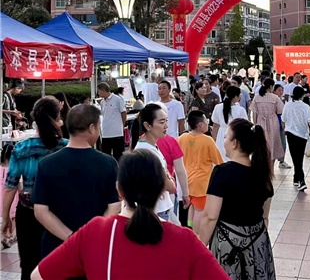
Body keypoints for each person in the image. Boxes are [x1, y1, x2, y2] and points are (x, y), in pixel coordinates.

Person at [30, 150, 229, 280]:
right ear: (162, 189)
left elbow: (39, 275)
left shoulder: (95, 232)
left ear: (119, 189)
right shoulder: (185, 240)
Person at [33, 104, 121, 259]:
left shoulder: (46, 163)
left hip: (56, 249)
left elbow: (40, 211)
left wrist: (71, 237)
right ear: (92, 128)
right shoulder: (108, 163)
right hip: (95, 246)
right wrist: (89, 237)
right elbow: (114, 207)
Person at [199, 119, 276, 280]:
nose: (224, 141)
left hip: (228, 244)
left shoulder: (222, 172)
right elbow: (265, 217)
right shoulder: (263, 174)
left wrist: (200, 249)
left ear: (234, 143)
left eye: (226, 137)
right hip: (258, 242)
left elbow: (210, 216)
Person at [2, 96, 67, 280]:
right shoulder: (65, 147)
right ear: (58, 118)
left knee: (29, 266)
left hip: (28, 214)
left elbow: (10, 187)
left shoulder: (21, 148)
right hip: (59, 214)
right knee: (58, 265)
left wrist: (6, 217)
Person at [178, 111, 223, 234]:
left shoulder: (182, 138)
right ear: (200, 125)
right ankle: (197, 236)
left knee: (192, 207)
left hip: (186, 180)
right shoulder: (207, 140)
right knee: (200, 211)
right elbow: (219, 162)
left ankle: (190, 231)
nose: (208, 123)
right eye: (206, 121)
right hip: (202, 182)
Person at [134, 104, 176, 221]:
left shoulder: (151, 146)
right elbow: (168, 185)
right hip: (156, 210)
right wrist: (168, 178)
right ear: (147, 125)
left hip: (160, 207)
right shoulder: (146, 151)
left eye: (166, 121)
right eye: (162, 122)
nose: (166, 126)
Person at [282, 86, 310, 191]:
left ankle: (296, 178)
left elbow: (283, 120)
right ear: (303, 95)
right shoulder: (305, 107)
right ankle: (301, 180)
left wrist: (284, 129)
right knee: (299, 157)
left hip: (290, 134)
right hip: (302, 135)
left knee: (295, 157)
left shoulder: (287, 105)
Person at [250, 78, 285, 163]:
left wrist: (255, 124)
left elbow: (254, 112)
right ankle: (271, 167)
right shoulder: (275, 98)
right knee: (273, 145)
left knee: (261, 144)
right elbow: (280, 111)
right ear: (270, 86)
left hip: (260, 122)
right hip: (273, 122)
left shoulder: (257, 96)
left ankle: (262, 164)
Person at [212, 86, 248, 161]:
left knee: (221, 159)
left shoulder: (218, 107)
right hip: (234, 137)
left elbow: (215, 126)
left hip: (221, 136)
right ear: (235, 97)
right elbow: (244, 127)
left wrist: (213, 139)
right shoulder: (241, 110)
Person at [98, 82, 127, 161]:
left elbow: (123, 113)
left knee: (118, 156)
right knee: (106, 156)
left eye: (98, 91)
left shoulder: (117, 99)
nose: (98, 93)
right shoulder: (102, 102)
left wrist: (122, 125)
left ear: (103, 90)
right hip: (106, 133)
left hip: (117, 133)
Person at [1, 144, 18, 248]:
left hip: (1, 197)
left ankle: (5, 236)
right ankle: (9, 236)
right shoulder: (14, 169)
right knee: (13, 217)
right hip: (12, 196)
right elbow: (19, 185)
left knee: (5, 216)